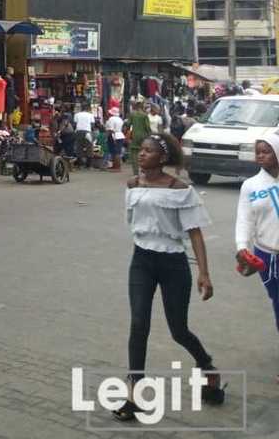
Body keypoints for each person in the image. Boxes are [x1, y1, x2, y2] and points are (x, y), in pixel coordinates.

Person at [115, 134, 221, 421]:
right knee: (139, 324)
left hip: (173, 264)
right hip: (142, 261)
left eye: (149, 151)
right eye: (141, 150)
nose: (141, 154)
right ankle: (133, 393)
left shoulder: (180, 189)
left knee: (178, 330)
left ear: (162, 158)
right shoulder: (132, 186)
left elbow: (195, 232)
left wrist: (204, 273)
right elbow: (133, 223)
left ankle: (207, 365)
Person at [234, 133, 279, 377]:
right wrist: (242, 246)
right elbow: (244, 220)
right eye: (257, 151)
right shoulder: (251, 185)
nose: (260, 155)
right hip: (266, 257)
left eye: (266, 151)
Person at [125, 100, 151, 176]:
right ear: (142, 106)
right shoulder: (144, 115)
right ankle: (144, 169)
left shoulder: (132, 114)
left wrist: (127, 132)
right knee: (144, 153)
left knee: (134, 154)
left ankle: (135, 173)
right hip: (143, 136)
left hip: (135, 136)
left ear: (135, 106)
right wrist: (150, 136)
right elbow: (147, 127)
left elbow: (128, 124)